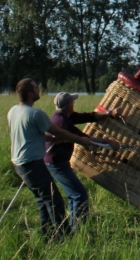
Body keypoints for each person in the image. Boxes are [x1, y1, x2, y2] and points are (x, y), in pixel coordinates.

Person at [7, 78, 115, 238]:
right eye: (36, 87)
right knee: (54, 201)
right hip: (32, 164)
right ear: (30, 94)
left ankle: (48, 235)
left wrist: (50, 139)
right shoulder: (36, 114)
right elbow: (60, 132)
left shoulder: (13, 111)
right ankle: (64, 238)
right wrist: (82, 141)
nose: (39, 89)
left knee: (43, 201)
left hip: (20, 164)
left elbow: (30, 136)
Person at [45, 91, 120, 230]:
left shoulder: (64, 116)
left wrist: (109, 113)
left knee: (74, 194)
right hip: (56, 163)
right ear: (68, 105)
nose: (74, 104)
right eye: (72, 102)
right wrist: (109, 143)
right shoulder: (62, 122)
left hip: (57, 161)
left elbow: (89, 116)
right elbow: (84, 139)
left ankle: (73, 227)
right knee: (79, 194)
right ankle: (77, 229)